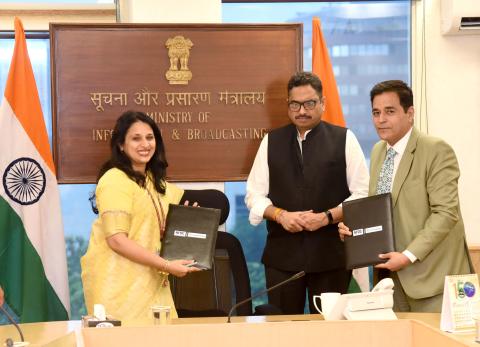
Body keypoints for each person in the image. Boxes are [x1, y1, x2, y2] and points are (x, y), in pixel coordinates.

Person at [339, 80, 472, 312]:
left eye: (390, 112)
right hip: (390, 278)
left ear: (410, 113)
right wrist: (354, 231)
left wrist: (408, 256)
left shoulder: (436, 150)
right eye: (376, 113)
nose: (381, 120)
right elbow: (379, 211)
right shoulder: (379, 151)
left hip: (433, 278)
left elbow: (445, 214)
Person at [245, 72, 369, 314]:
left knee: (330, 335)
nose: (302, 110)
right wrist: (280, 215)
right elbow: (254, 195)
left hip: (331, 257)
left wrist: (326, 217)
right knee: (281, 332)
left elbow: (362, 193)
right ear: (288, 105)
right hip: (282, 259)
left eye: (309, 103)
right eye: (295, 104)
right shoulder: (271, 141)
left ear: (323, 103)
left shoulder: (345, 138)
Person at [81, 110, 199, 325]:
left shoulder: (156, 182)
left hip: (152, 282)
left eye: (150, 137)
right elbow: (116, 240)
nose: (145, 144)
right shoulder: (115, 180)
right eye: (136, 138)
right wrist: (166, 265)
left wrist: (183, 224)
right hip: (118, 284)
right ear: (121, 145)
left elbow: (155, 231)